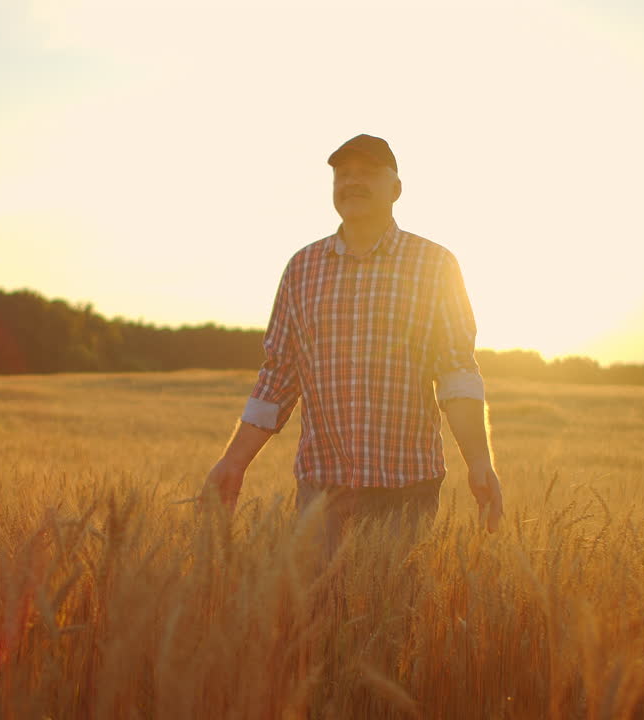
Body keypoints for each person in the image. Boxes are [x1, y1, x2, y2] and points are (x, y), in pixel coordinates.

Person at [200, 134, 504, 546]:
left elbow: (457, 372)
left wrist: (479, 461)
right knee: (320, 607)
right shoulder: (302, 268)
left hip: (406, 488)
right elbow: (279, 376)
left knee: (395, 608)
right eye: (342, 174)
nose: (352, 182)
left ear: (396, 189)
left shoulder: (435, 265)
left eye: (367, 173)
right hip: (322, 490)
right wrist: (234, 461)